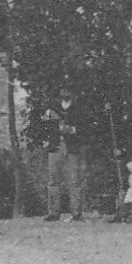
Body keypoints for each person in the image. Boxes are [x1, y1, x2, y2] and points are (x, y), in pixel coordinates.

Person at [41, 85, 88, 221]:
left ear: (72, 93)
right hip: (55, 146)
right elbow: (44, 125)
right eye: (62, 90)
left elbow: (85, 128)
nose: (65, 92)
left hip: (73, 147)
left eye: (68, 90)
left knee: (74, 180)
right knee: (53, 180)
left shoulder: (79, 108)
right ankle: (53, 213)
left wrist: (70, 129)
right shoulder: (53, 107)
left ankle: (76, 213)